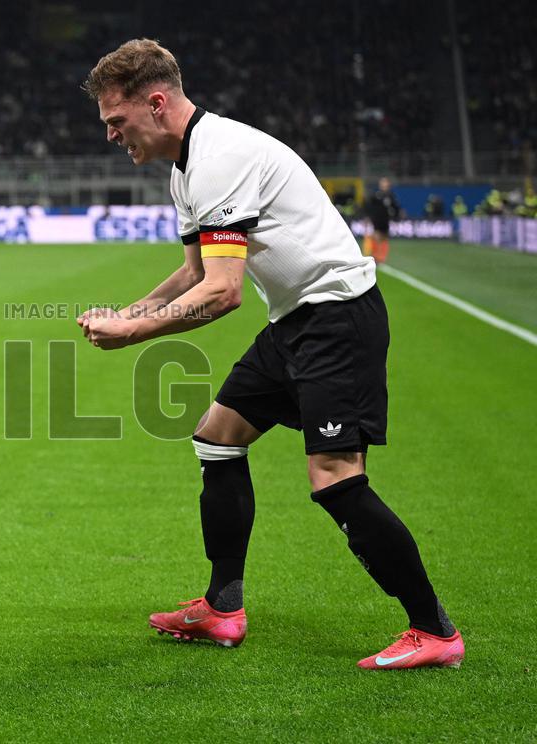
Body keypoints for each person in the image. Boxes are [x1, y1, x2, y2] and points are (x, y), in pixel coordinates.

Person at [79, 39, 462, 670]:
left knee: (334, 476)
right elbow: (193, 271)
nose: (111, 135)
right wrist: (128, 312)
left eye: (117, 120)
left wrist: (134, 334)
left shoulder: (219, 157)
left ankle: (434, 630)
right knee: (218, 437)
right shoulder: (185, 167)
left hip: (337, 317)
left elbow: (222, 292)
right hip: (296, 321)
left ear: (157, 103)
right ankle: (222, 608)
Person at [364, 177, 402, 262]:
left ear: (388, 185)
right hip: (377, 219)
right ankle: (375, 255)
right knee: (376, 236)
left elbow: (395, 207)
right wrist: (368, 216)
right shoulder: (376, 195)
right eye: (382, 183)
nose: (384, 185)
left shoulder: (391, 196)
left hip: (386, 219)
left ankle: (382, 256)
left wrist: (396, 215)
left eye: (385, 183)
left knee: (384, 237)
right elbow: (369, 206)